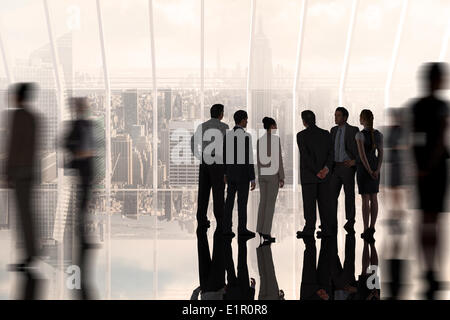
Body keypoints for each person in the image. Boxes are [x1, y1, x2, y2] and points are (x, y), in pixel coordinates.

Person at [411, 62, 449, 299]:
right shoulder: (441, 107)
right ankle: (431, 268)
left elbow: (415, 138)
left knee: (427, 219)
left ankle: (428, 268)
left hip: (424, 169)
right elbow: (441, 140)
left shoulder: (418, 107)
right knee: (432, 220)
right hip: (435, 169)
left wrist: (419, 166)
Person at [6, 83, 42, 299]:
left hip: (19, 171)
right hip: (31, 171)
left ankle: (29, 254)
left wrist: (7, 171)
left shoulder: (17, 116)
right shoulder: (35, 117)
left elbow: (12, 145)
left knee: (23, 214)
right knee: (30, 214)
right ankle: (32, 252)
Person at [64, 97, 98, 299]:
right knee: (83, 202)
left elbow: (83, 149)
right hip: (86, 170)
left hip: (84, 170)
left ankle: (83, 234)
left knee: (82, 202)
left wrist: (76, 154)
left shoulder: (81, 125)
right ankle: (83, 234)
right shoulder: (85, 124)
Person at [191, 104, 229, 231]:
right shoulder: (224, 127)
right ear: (220, 114)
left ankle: (201, 219)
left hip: (205, 160)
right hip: (218, 162)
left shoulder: (202, 126)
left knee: (203, 191)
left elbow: (193, 141)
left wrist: (198, 156)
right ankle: (220, 221)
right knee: (218, 192)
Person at [296, 110, 334, 239]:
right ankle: (326, 229)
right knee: (325, 204)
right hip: (324, 176)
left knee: (309, 204)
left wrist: (317, 171)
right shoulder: (326, 134)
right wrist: (325, 169)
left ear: (304, 121)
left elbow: (305, 157)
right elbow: (331, 153)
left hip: (309, 176)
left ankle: (309, 229)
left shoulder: (301, 135)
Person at [223, 110, 256, 238]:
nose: (247, 121)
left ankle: (226, 228)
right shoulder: (246, 136)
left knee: (229, 202)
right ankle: (242, 229)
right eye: (246, 119)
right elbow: (249, 159)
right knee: (242, 204)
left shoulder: (228, 135)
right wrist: (252, 177)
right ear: (242, 120)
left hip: (231, 174)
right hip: (243, 175)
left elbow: (225, 156)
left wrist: (225, 173)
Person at [355, 109, 383, 243]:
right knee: (374, 197)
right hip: (375, 166)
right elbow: (381, 154)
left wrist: (368, 170)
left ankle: (366, 229)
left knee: (365, 198)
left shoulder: (359, 135)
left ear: (363, 119)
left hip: (364, 169)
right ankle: (372, 227)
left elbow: (362, 155)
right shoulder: (379, 135)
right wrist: (377, 169)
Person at [330, 107, 359, 234]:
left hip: (347, 167)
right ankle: (330, 222)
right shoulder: (333, 130)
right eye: (335, 115)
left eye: (338, 115)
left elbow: (360, 150)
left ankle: (350, 221)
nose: (335, 118)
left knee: (349, 195)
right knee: (331, 196)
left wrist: (355, 161)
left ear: (345, 117)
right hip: (335, 167)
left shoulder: (354, 130)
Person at [256, 117, 284, 243]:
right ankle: (266, 232)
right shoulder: (275, 140)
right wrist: (281, 176)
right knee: (270, 204)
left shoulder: (259, 140)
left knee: (263, 202)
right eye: (275, 126)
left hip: (263, 175)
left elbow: (258, 160)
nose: (276, 128)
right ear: (271, 126)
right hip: (272, 175)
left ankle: (260, 229)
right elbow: (278, 159)